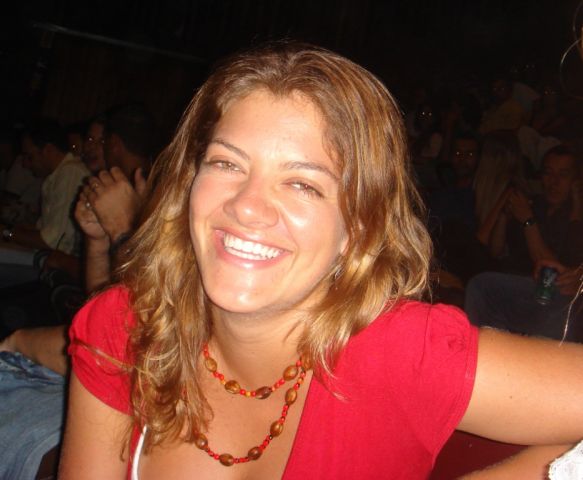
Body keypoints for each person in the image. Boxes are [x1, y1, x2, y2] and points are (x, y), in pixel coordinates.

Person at [60, 43, 583, 479]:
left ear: (359, 228)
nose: (246, 206)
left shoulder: (398, 353)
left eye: (302, 184)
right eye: (226, 163)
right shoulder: (124, 328)